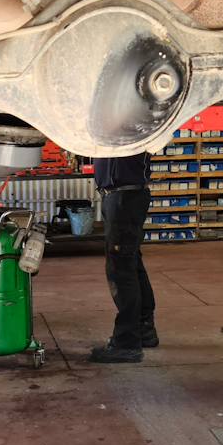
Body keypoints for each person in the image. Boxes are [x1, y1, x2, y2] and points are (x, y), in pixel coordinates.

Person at [89, 152, 157, 363]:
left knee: (121, 271)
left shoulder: (127, 133)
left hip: (123, 198)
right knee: (131, 263)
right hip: (123, 197)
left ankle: (127, 343)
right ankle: (144, 329)